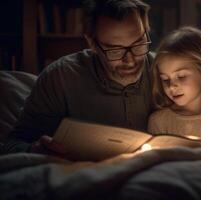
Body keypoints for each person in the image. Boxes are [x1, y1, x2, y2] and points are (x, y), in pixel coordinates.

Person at [3, 0, 154, 156]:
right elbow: (13, 144)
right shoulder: (61, 77)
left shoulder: (166, 72)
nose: (130, 60)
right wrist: (33, 149)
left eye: (139, 44)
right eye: (115, 50)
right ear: (92, 43)